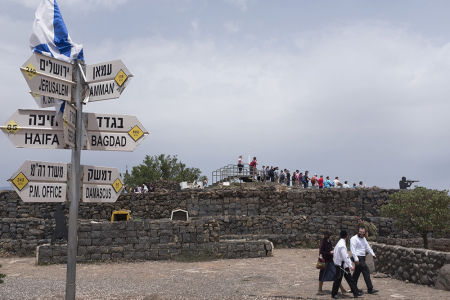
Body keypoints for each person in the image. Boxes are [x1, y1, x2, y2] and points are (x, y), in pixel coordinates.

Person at [331, 230, 361, 299]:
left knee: (349, 279)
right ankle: (334, 294)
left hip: (342, 265)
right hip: (341, 265)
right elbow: (345, 257)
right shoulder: (341, 245)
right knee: (338, 279)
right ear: (347, 236)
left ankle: (355, 292)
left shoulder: (339, 244)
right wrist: (350, 266)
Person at [350, 227, 379, 295]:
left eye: (363, 232)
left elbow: (367, 247)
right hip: (358, 257)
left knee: (356, 273)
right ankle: (370, 288)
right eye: (360, 232)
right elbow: (352, 250)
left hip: (362, 258)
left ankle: (353, 288)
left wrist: (373, 255)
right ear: (358, 231)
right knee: (366, 271)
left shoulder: (364, 239)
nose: (362, 233)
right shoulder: (353, 239)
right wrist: (356, 259)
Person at [318, 230, 347, 295]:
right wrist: (329, 252)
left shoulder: (329, 241)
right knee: (323, 275)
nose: (332, 236)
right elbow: (321, 251)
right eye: (331, 235)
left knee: (336, 274)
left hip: (330, 261)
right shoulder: (324, 241)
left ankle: (342, 289)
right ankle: (320, 289)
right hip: (325, 261)